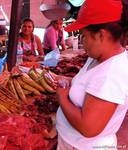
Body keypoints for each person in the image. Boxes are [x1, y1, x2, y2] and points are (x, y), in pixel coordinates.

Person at [55, 0, 128, 149]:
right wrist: (71, 81)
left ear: (101, 35)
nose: (82, 42)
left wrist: (62, 97)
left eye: (84, 36)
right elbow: (89, 84)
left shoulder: (111, 74)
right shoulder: (96, 58)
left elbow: (88, 128)